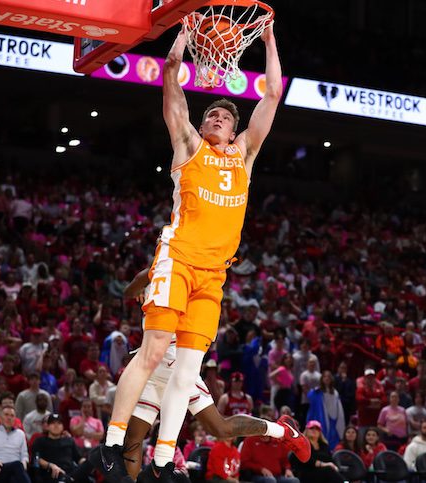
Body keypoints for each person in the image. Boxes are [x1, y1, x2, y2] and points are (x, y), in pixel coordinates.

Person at [88, 19, 301, 483]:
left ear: (236, 129)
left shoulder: (244, 155)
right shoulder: (189, 146)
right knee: (153, 350)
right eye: (212, 115)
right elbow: (171, 82)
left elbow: (272, 95)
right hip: (178, 259)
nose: (217, 119)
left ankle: (164, 462)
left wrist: (269, 39)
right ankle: (110, 444)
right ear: (202, 125)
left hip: (214, 274)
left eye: (225, 117)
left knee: (187, 372)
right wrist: (181, 39)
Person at [106, 268, 311, 481]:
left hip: (179, 366)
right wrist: (144, 284)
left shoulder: (195, 279)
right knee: (133, 437)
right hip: (152, 366)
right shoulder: (161, 268)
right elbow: (129, 291)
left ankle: (281, 430)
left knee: (220, 428)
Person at [31, 414, 82, 483]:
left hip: (71, 473)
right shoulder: (40, 441)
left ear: (63, 426)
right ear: (48, 426)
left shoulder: (69, 440)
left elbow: (78, 458)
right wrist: (50, 465)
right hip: (52, 474)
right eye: (53, 423)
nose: (56, 426)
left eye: (59, 423)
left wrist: (86, 462)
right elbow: (36, 458)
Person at [306, 370, 345, 448]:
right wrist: (314, 391)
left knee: (333, 438)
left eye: (328, 377)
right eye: (325, 377)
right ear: (322, 379)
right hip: (321, 417)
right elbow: (309, 397)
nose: (327, 378)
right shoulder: (317, 391)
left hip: (333, 418)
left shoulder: (335, 392)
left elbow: (337, 406)